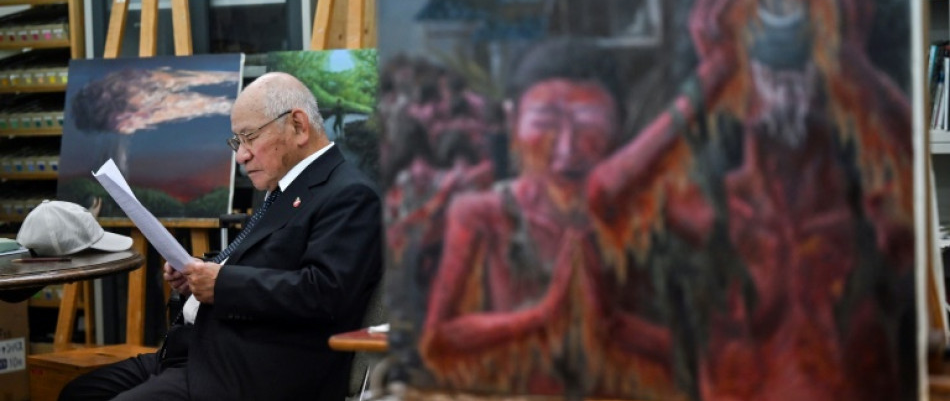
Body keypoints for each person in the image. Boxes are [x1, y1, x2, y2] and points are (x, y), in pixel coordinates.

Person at [587, 0, 915, 400]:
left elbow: (932, 183)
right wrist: (717, 70)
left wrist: (851, 60)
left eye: (800, 73)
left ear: (826, 82)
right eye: (768, 74)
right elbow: (607, 199)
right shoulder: (710, 214)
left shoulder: (870, 216)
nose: (785, 90)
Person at [59, 72, 384, 401]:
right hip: (196, 351)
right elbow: (267, 262)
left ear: (298, 126)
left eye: (249, 137)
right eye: (237, 141)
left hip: (250, 372)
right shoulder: (285, 187)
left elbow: (324, 294)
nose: (241, 155)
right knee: (78, 392)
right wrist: (200, 272)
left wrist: (221, 284)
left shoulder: (350, 195)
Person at [417, 42, 680, 399]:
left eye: (588, 126)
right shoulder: (482, 214)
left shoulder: (642, 220)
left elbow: (696, 353)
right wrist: (542, 316)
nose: (566, 149)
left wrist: (613, 325)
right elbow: (438, 341)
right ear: (513, 123)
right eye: (545, 124)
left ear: (620, 127)